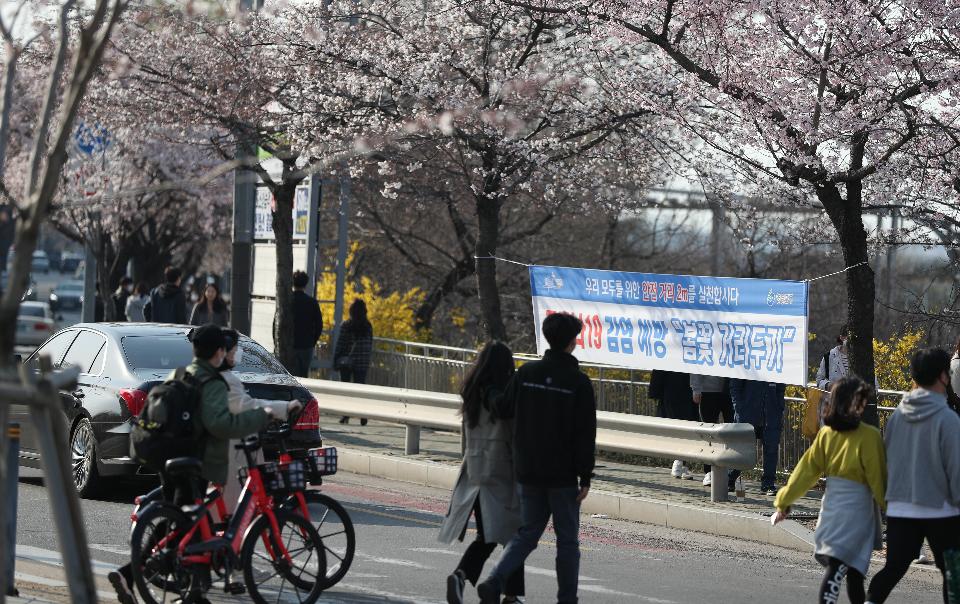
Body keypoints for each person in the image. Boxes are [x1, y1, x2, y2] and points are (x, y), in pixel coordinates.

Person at [108, 325, 278, 604]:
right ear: (219, 352)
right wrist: (260, 418)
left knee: (185, 520)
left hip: (165, 455)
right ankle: (135, 575)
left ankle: (193, 589)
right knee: (186, 525)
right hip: (191, 461)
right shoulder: (212, 382)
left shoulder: (181, 373)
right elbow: (219, 424)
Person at [476, 313, 596, 604]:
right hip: (563, 474)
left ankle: (494, 581)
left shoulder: (526, 374)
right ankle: (567, 599)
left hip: (527, 468)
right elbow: (584, 434)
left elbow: (503, 407)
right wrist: (585, 476)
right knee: (567, 541)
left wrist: (488, 390)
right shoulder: (578, 383)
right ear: (572, 342)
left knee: (528, 532)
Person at [772, 377, 886, 604]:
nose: (863, 407)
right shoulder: (869, 436)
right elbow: (879, 479)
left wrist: (784, 502)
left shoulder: (826, 435)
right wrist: (890, 508)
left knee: (841, 567)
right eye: (860, 402)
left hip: (832, 508)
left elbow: (805, 472)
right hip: (858, 512)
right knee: (851, 570)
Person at [866, 348, 960, 604]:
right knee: (953, 574)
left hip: (901, 508)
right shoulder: (948, 419)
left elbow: (888, 461)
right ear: (943, 376)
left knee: (894, 568)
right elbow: (956, 471)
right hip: (941, 511)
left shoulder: (898, 416)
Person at [439, 342, 524, 604]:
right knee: (514, 535)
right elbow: (512, 435)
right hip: (499, 472)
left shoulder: (472, 392)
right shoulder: (502, 397)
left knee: (491, 535)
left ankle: (465, 577)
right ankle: (506, 594)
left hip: (474, 469)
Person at [219, 328, 300, 511]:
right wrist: (283, 408)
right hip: (229, 451)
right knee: (235, 506)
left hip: (221, 447)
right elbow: (247, 404)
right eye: (233, 351)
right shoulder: (225, 380)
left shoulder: (202, 373)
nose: (236, 355)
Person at [729, 379, 786, 496]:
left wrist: (779, 406)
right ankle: (730, 479)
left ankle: (768, 484)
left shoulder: (774, 364)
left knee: (771, 449)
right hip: (747, 414)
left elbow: (781, 387)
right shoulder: (748, 362)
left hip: (771, 414)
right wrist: (739, 408)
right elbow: (735, 386)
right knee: (741, 448)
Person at [649, 370, 696, 480]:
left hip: (672, 391)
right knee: (684, 428)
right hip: (683, 390)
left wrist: (654, 392)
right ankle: (679, 462)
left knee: (680, 428)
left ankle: (681, 463)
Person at [335, 298, 373, 426]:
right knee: (360, 389)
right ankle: (363, 415)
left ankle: (345, 415)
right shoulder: (368, 326)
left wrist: (336, 359)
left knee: (346, 390)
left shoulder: (347, 325)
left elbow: (341, 344)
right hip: (362, 362)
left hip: (347, 361)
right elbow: (370, 344)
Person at [690, 374, 732, 487]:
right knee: (708, 433)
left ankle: (730, 471)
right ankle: (709, 471)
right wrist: (696, 388)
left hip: (731, 388)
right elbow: (697, 362)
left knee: (732, 432)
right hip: (708, 390)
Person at [290, 270, 323, 377]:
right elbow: (319, 325)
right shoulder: (312, 302)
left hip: (290, 344)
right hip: (306, 345)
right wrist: (312, 342)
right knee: (303, 376)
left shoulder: (287, 301)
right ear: (305, 284)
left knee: (289, 375)